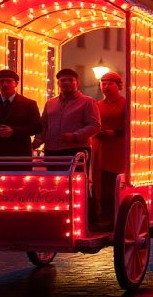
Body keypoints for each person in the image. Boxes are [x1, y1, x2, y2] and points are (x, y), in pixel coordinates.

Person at [0, 69, 42, 164]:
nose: (5, 84)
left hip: (19, 155)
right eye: (1, 81)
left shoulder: (29, 104)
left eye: (8, 81)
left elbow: (37, 127)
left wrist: (13, 131)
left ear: (16, 84)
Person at [33, 68, 100, 163]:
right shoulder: (50, 103)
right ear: (58, 83)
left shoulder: (87, 102)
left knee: (74, 177)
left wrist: (75, 136)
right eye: (63, 80)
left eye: (71, 80)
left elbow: (95, 125)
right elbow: (44, 125)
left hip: (76, 150)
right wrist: (37, 141)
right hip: (51, 150)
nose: (66, 82)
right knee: (53, 177)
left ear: (77, 83)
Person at [92, 71, 126, 231]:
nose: (105, 87)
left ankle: (112, 217)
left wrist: (114, 132)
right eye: (103, 83)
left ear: (118, 86)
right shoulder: (97, 105)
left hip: (116, 150)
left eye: (109, 84)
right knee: (99, 183)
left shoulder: (125, 104)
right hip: (99, 148)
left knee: (112, 183)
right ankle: (102, 214)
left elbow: (130, 126)